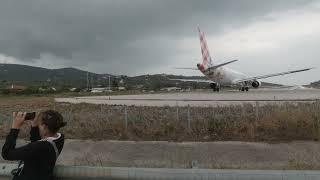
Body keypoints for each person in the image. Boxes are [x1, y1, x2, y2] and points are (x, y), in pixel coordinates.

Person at [2, 110, 66, 180]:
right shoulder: (60, 138)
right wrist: (34, 126)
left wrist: (15, 127)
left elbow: (6, 154)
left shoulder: (38, 147)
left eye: (39, 123)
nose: (38, 124)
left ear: (44, 127)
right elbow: (37, 147)